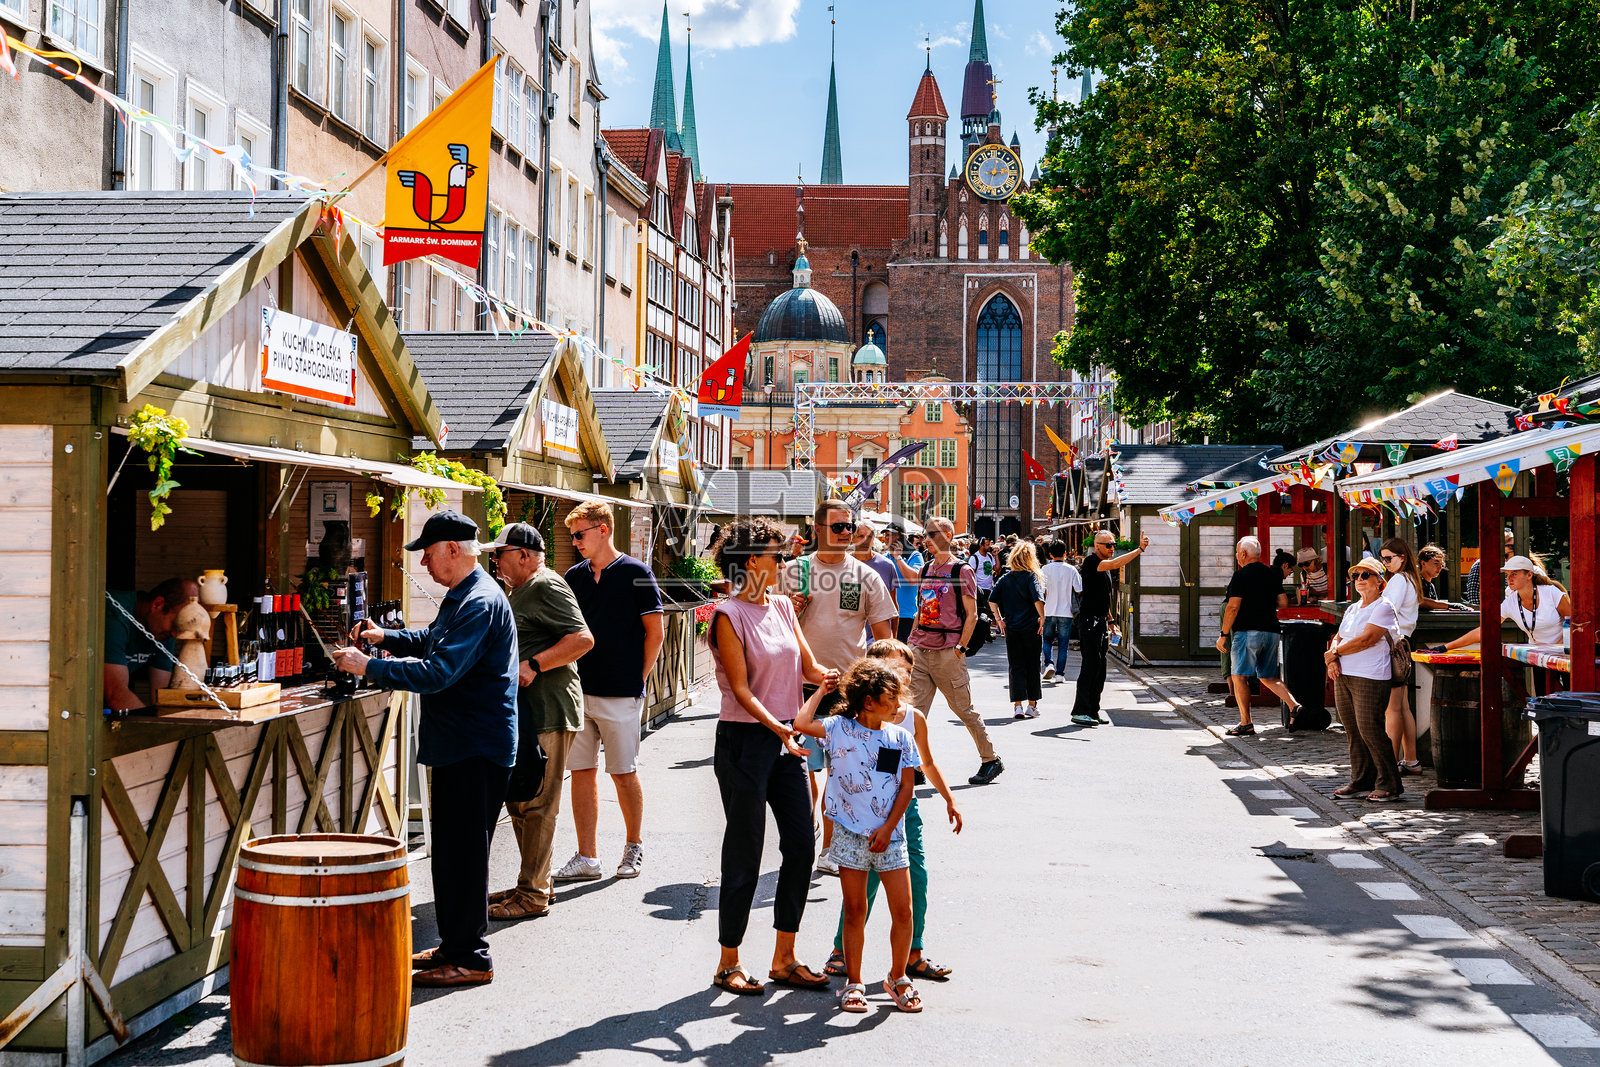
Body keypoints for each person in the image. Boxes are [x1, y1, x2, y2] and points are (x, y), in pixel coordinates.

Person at [332, 510, 517, 987]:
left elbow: (439, 671)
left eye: (429, 554)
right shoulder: (466, 594)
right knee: (453, 854)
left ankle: (471, 958)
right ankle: (456, 946)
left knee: (464, 858)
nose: (425, 564)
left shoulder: (478, 600)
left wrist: (368, 667)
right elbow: (433, 640)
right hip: (464, 744)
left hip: (474, 746)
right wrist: (385, 637)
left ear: (453, 549)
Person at [705, 518, 834, 996]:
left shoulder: (781, 605)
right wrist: (777, 726)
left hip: (785, 738)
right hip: (745, 740)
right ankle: (728, 962)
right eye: (777, 556)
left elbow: (809, 667)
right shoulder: (727, 614)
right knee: (745, 848)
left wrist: (839, 678)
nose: (784, 562)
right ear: (750, 560)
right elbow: (741, 689)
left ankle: (785, 958)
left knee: (801, 845)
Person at [823, 639, 962, 984]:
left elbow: (926, 763)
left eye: (909, 670)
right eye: (896, 667)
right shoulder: (855, 719)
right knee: (862, 887)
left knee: (917, 877)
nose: (905, 675)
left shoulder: (913, 719)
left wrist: (949, 799)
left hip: (903, 812)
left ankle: (914, 954)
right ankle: (841, 950)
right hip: (864, 816)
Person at [794, 659, 922, 1015]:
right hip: (850, 835)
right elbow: (801, 723)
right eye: (891, 699)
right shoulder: (838, 728)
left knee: (903, 911)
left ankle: (898, 977)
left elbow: (906, 788)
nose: (898, 705)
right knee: (854, 910)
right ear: (869, 701)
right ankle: (854, 982)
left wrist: (888, 828)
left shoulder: (899, 737)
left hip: (890, 837)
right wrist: (820, 690)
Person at [481, 523, 594, 922]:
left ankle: (533, 894)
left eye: (500, 555)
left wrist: (533, 664)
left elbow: (582, 639)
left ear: (524, 555)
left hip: (549, 710)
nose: (495, 562)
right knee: (520, 799)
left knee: (537, 804)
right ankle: (535, 882)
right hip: (529, 712)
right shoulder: (522, 589)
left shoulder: (546, 584)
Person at [784, 500, 896, 874]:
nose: (847, 533)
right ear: (818, 529)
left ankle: (829, 848)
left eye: (850, 526)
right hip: (798, 687)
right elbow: (766, 626)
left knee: (840, 773)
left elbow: (884, 640)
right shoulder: (793, 572)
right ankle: (810, 825)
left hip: (848, 691)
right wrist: (789, 609)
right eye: (838, 527)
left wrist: (884, 692)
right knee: (802, 769)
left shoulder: (866, 576)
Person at [556, 501, 664, 883]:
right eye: (572, 536)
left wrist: (637, 679)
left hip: (621, 693)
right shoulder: (574, 576)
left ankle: (633, 845)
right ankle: (587, 857)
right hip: (579, 691)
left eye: (579, 534)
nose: (575, 542)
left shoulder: (638, 573)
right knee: (581, 773)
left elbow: (656, 633)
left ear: (604, 529)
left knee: (623, 773)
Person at [908, 516, 1002, 784]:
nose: (926, 539)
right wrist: (911, 642)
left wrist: (960, 649)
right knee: (913, 713)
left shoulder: (961, 570)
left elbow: (971, 614)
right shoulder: (925, 569)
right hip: (920, 649)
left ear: (948, 536)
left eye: (932, 534)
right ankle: (914, 767)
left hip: (948, 651)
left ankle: (990, 759)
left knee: (963, 710)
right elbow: (920, 609)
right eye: (925, 534)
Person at [1324, 558, 1404, 803]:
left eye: (1365, 575)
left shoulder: (1383, 606)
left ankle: (1389, 784)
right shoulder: (1353, 608)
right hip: (1344, 674)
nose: (1359, 579)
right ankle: (1361, 780)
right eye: (1355, 575)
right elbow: (1338, 636)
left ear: (1379, 581)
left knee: (1370, 729)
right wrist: (1332, 660)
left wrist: (1334, 653)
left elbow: (1367, 639)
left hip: (1371, 675)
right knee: (1353, 730)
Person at [1441, 556, 1572, 688]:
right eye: (1507, 575)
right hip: (1540, 657)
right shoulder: (1510, 602)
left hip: (1566, 655)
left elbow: (1572, 624)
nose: (1509, 579)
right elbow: (1485, 630)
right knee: (1543, 697)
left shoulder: (1551, 593)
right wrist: (1445, 647)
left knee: (1570, 696)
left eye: (1514, 574)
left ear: (1529, 575)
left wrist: (1556, 648)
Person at [1215, 536, 1301, 736]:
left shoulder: (1240, 575)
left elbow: (1233, 607)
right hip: (1271, 631)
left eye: (1237, 552)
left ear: (1243, 554)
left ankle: (1246, 723)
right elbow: (1283, 602)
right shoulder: (1271, 574)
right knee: (1268, 676)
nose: (1237, 556)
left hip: (1248, 632)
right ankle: (1294, 705)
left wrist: (1224, 634)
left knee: (1239, 677)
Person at [1072, 530, 1149, 728]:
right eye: (1108, 545)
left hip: (1100, 621)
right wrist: (1139, 550)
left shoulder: (1104, 566)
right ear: (1097, 546)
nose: (1112, 548)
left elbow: (1102, 597)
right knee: (1090, 666)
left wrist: (1111, 621)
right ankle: (1080, 711)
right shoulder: (1091, 562)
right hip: (1089, 622)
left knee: (1100, 668)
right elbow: (1116, 564)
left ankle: (1093, 710)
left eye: (1113, 544)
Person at [103, 578, 200, 711]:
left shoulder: (165, 632)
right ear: (157, 604)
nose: (175, 635)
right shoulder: (115, 614)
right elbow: (117, 695)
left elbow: (161, 697)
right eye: (175, 624)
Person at [1378, 538, 1424, 776]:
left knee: (1392, 709)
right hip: (1405, 643)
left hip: (1394, 643)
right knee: (1403, 707)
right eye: (1382, 558)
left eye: (1389, 558)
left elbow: (1386, 611)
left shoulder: (1398, 580)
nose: (1385, 563)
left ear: (1402, 558)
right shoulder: (1410, 579)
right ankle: (1411, 760)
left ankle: (1391, 762)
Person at [992, 541, 1046, 719]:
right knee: (1033, 665)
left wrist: (999, 619)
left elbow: (992, 600)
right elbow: (1038, 599)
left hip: (1012, 627)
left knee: (1015, 665)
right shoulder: (1031, 577)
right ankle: (1032, 705)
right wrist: (1042, 617)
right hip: (1031, 627)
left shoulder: (1005, 578)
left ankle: (1017, 706)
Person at [1040, 540, 1079, 682]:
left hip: (1048, 610)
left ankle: (1049, 663)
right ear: (1065, 553)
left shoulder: (1045, 569)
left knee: (1047, 640)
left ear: (1050, 554)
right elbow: (1079, 589)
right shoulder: (1071, 569)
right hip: (1066, 611)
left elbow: (1041, 590)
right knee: (1063, 644)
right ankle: (1060, 674)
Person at [851, 519, 901, 619]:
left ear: (873, 540)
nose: (865, 540)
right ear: (853, 538)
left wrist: (893, 629)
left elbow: (893, 606)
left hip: (881, 627)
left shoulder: (887, 565)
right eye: (861, 536)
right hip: (853, 627)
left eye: (869, 537)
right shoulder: (845, 564)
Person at [885, 528, 926, 643]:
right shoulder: (884, 557)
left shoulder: (915, 555)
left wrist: (898, 558)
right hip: (886, 615)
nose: (887, 538)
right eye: (886, 535)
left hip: (906, 616)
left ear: (901, 538)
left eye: (891, 535)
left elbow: (913, 580)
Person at [1464, 530, 1516, 607]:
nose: (1514, 549)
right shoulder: (1481, 565)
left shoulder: (1509, 565)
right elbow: (1474, 598)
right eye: (1510, 546)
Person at [1417, 544, 1451, 608]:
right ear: (1423, 563)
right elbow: (1419, 600)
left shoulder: (1431, 586)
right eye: (1436, 563)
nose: (1440, 567)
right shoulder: (1415, 582)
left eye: (1441, 564)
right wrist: (1450, 605)